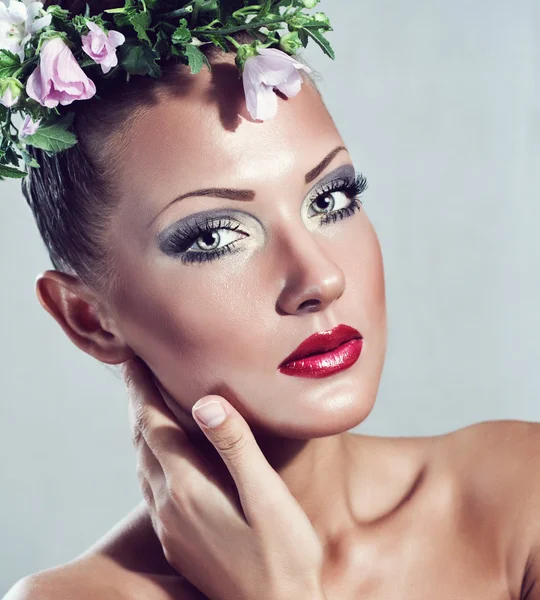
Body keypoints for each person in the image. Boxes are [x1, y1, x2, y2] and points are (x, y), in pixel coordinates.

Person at [2, 1, 540, 599]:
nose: (320, 279)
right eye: (214, 237)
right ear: (88, 318)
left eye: (330, 199)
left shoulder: (520, 498)